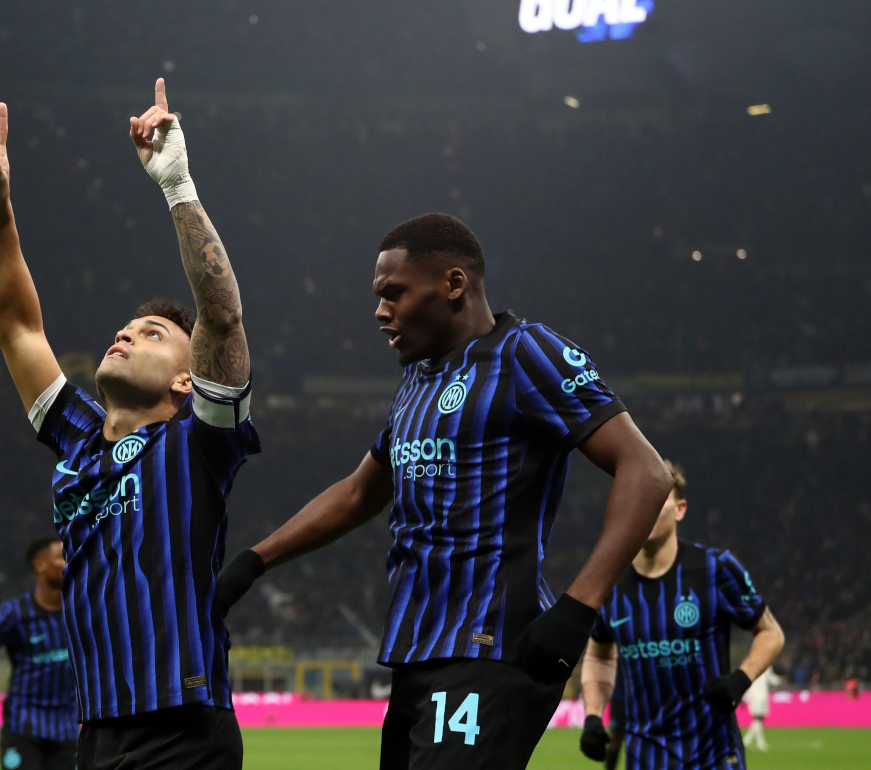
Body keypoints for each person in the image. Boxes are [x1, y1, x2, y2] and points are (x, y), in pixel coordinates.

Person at [215, 213, 673, 770]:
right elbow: (361, 492)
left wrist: (579, 608)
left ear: (454, 284)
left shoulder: (526, 353)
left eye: (393, 294)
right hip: (416, 652)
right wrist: (253, 562)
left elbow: (645, 471)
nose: (380, 313)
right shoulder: (418, 379)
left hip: (490, 645)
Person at [0, 78, 257, 770]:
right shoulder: (78, 440)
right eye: (123, 329)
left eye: (151, 334)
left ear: (188, 380)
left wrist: (175, 183)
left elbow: (221, 316)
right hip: (95, 733)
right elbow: (16, 327)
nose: (124, 336)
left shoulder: (197, 443)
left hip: (181, 728)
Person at [580, 461, 786, 769]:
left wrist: (740, 680)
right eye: (636, 499)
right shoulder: (609, 583)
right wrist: (593, 715)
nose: (644, 507)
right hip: (645, 759)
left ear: (680, 509)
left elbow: (771, 633)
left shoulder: (715, 569)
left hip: (715, 757)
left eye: (656, 498)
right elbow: (598, 657)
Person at [0, 536, 79, 770]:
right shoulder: (15, 613)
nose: (70, 561)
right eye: (62, 557)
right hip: (24, 728)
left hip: (67, 728)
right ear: (40, 565)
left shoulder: (79, 610)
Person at [742, 665, 781, 751]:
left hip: (761, 695)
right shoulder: (755, 665)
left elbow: (770, 678)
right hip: (755, 695)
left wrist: (779, 680)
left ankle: (747, 741)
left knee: (758, 719)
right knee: (758, 718)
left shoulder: (765, 665)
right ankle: (757, 742)